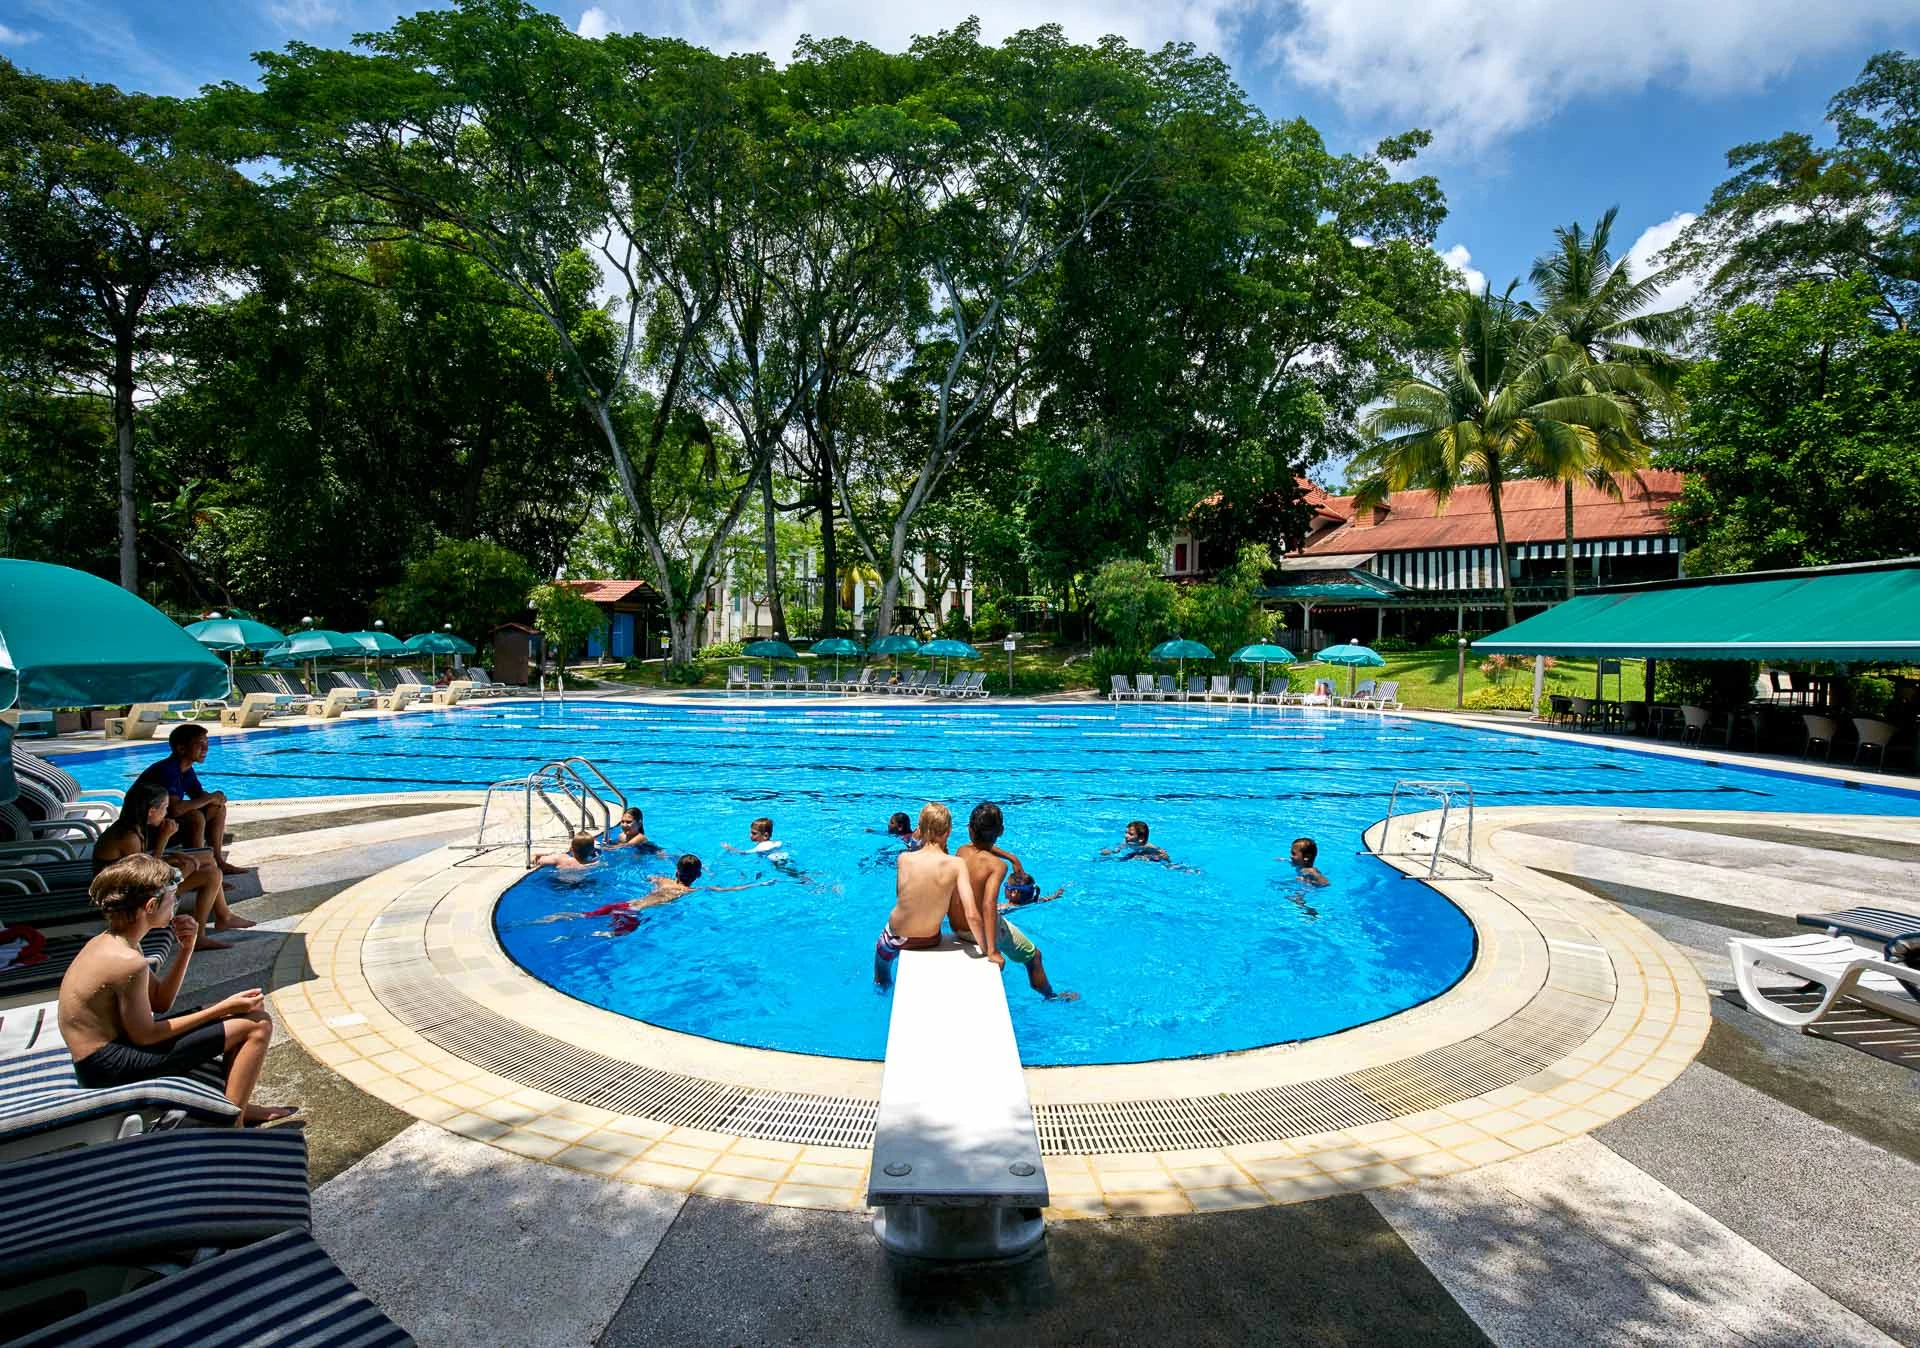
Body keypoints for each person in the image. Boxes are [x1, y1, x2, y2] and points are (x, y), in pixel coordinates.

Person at [57, 855, 294, 1124]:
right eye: (173, 898)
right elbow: (145, 1036)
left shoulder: (117, 942)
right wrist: (222, 1008)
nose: (176, 904)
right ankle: (233, 1122)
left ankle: (234, 1102)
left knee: (249, 1009)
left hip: (110, 1051)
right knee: (256, 1025)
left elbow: (160, 1002)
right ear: (150, 906)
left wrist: (187, 948)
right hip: (109, 1066)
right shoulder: (126, 962)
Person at [92, 785, 247, 949]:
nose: (166, 813)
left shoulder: (134, 827)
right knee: (208, 873)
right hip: (126, 896)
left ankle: (218, 920)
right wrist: (164, 840)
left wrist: (171, 857)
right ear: (151, 811)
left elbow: (141, 864)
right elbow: (145, 877)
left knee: (208, 862)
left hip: (130, 884)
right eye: (165, 807)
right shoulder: (128, 837)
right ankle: (201, 934)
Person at [955, 803, 1078, 1001]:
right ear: (1001, 831)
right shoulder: (997, 866)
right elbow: (988, 905)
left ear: (969, 829)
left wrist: (1012, 857)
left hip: (958, 926)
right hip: (980, 932)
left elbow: (980, 847)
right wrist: (993, 951)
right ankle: (1051, 996)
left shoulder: (961, 851)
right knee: (1034, 955)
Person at [874, 802, 990, 990]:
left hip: (893, 938)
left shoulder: (903, 858)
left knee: (881, 976)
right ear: (949, 831)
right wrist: (987, 950)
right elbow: (972, 915)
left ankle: (881, 985)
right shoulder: (957, 864)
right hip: (928, 939)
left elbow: (901, 898)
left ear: (920, 829)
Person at [131, 724, 250, 878]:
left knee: (217, 808)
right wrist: (210, 797)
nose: (205, 749)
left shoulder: (186, 769)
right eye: (200, 744)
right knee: (194, 817)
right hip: (146, 832)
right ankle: (199, 873)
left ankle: (217, 861)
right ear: (181, 749)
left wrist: (216, 798)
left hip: (164, 824)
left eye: (206, 743)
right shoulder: (167, 771)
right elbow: (175, 809)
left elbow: (200, 796)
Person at [541, 854, 768, 934]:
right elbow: (728, 889)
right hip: (633, 914)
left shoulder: (661, 879)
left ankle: (557, 917)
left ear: (676, 871)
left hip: (624, 903)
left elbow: (647, 877)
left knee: (587, 915)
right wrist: (759, 884)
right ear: (697, 876)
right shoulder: (691, 890)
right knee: (613, 935)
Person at [999, 865, 1066, 910]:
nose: (1004, 888)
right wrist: (1056, 894)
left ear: (1014, 892)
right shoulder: (1034, 901)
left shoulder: (1003, 907)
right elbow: (1049, 898)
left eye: (1006, 885)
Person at [531, 831, 601, 873]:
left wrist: (538, 854)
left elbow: (533, 859)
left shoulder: (560, 859)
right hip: (581, 885)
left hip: (560, 885)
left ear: (571, 848)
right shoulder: (593, 864)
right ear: (592, 851)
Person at [1105, 820, 1171, 863]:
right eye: (1126, 832)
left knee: (1137, 857)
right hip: (1138, 852)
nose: (1126, 836)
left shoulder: (1148, 846)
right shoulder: (1127, 843)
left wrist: (1168, 861)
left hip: (1151, 855)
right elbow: (1118, 848)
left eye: (1130, 834)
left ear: (1141, 838)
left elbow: (1162, 853)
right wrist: (1111, 851)